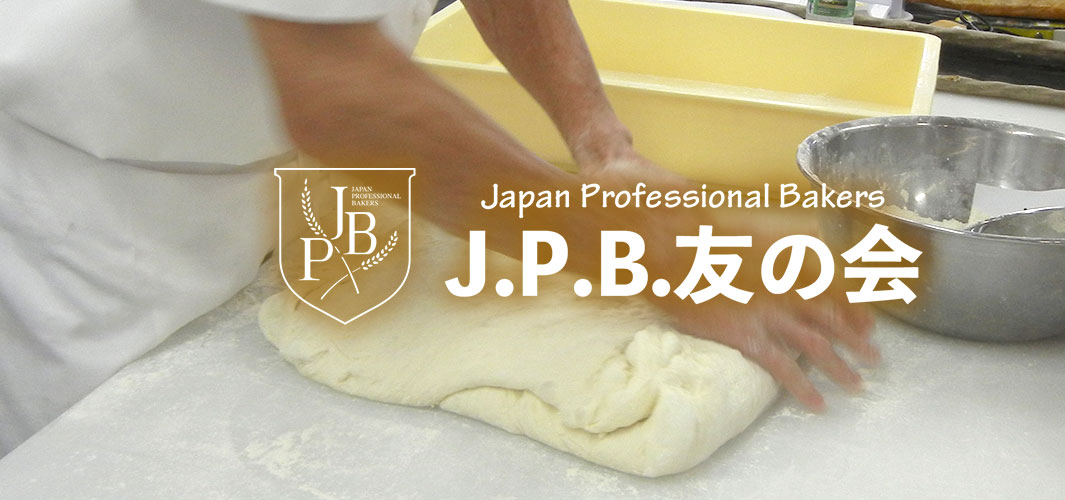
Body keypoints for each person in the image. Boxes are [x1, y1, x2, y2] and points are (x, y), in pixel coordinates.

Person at [0, 0, 876, 455]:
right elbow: (340, 94)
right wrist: (629, 249)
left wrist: (602, 146)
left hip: (264, 168)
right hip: (98, 207)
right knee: (111, 459)